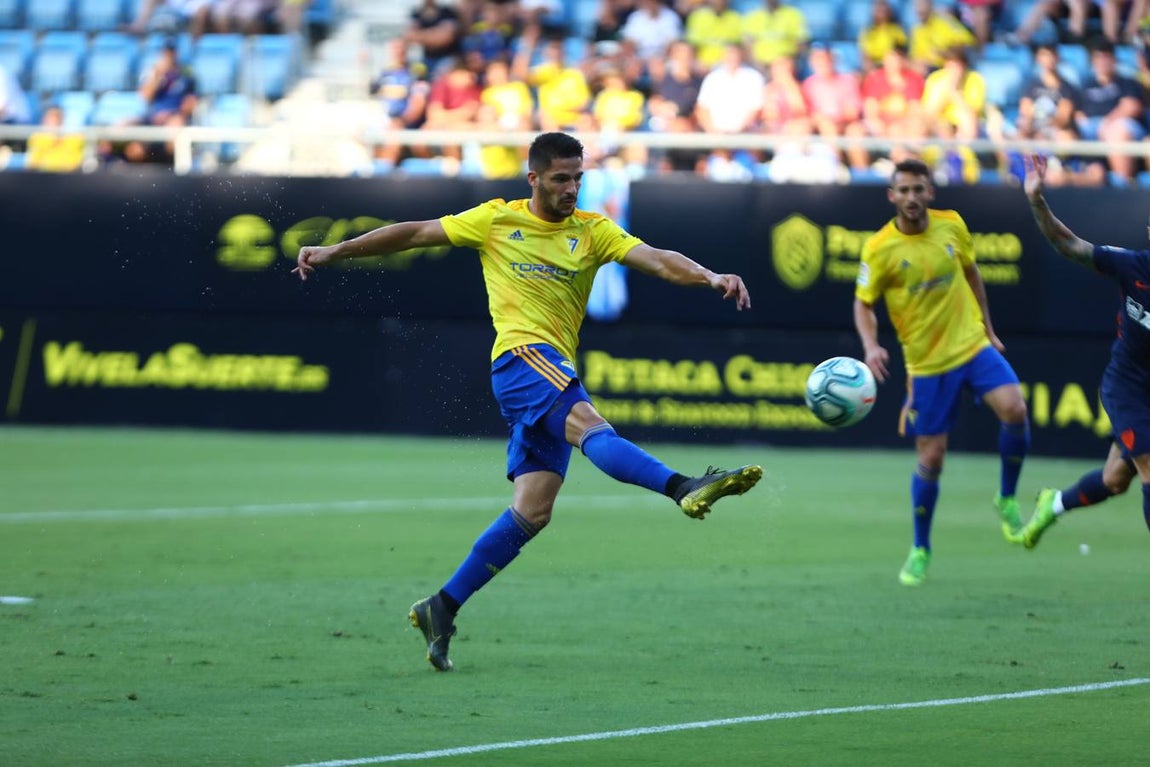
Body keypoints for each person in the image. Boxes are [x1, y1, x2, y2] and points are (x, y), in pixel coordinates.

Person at [292, 131, 763, 671]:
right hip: (520, 359)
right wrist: (336, 250)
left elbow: (655, 259)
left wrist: (709, 276)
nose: (572, 189)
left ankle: (441, 607)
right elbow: (416, 233)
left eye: (578, 179)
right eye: (561, 179)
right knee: (590, 425)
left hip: (551, 367)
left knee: (533, 511)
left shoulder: (593, 230)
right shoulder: (497, 219)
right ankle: (684, 486)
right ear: (534, 178)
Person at [853, 158, 1030, 586]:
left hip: (971, 345)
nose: (912, 197)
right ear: (891, 196)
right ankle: (920, 548)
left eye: (919, 189)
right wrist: (871, 345)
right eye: (904, 190)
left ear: (930, 192)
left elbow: (972, 274)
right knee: (931, 459)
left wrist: (988, 328)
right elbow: (863, 303)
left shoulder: (952, 224)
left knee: (1015, 409)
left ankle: (1006, 497)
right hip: (927, 365)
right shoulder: (879, 248)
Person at [1016, 153, 1150, 547]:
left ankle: (1053, 504)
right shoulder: (1133, 267)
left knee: (1114, 480)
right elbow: (1068, 244)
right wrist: (1036, 199)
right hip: (1127, 388)